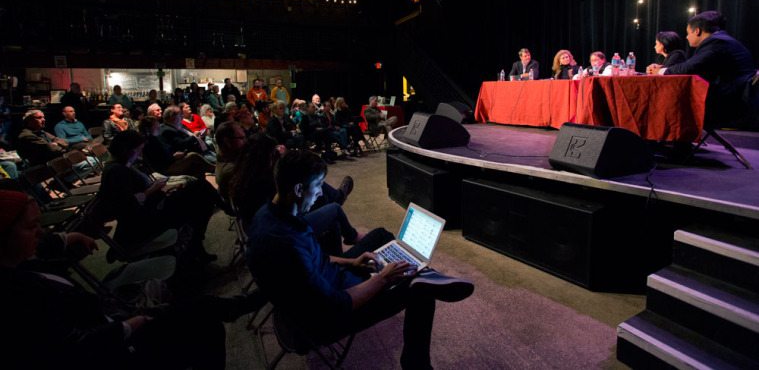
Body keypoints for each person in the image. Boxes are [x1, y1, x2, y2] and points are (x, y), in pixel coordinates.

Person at [246, 150, 474, 370]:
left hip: (328, 280)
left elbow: (316, 258)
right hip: (325, 320)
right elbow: (338, 304)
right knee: (422, 293)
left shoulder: (270, 215)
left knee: (381, 236)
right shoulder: (286, 244)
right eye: (317, 186)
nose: (319, 194)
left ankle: (420, 272)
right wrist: (383, 279)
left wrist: (351, 263)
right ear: (297, 189)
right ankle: (416, 363)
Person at [0, 188, 265, 370]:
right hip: (111, 348)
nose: (40, 232)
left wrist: (68, 237)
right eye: (31, 227)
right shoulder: (16, 297)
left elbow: (46, 243)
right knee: (205, 326)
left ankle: (240, 304)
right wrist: (130, 325)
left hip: (109, 317)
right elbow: (68, 352)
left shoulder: (21, 259)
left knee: (196, 307)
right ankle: (245, 303)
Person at [96, 131, 217, 262]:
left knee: (198, 190)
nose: (140, 155)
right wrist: (152, 189)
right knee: (200, 194)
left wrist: (160, 190)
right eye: (138, 150)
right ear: (127, 150)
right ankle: (196, 246)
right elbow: (128, 205)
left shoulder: (120, 166)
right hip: (143, 222)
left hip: (151, 209)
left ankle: (196, 246)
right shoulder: (116, 172)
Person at [659, 11, 756, 126]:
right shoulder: (722, 40)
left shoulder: (716, 42)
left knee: (669, 102)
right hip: (734, 96)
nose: (686, 37)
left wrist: (661, 71)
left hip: (729, 102)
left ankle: (669, 141)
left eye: (688, 33)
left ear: (697, 31)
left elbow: (690, 67)